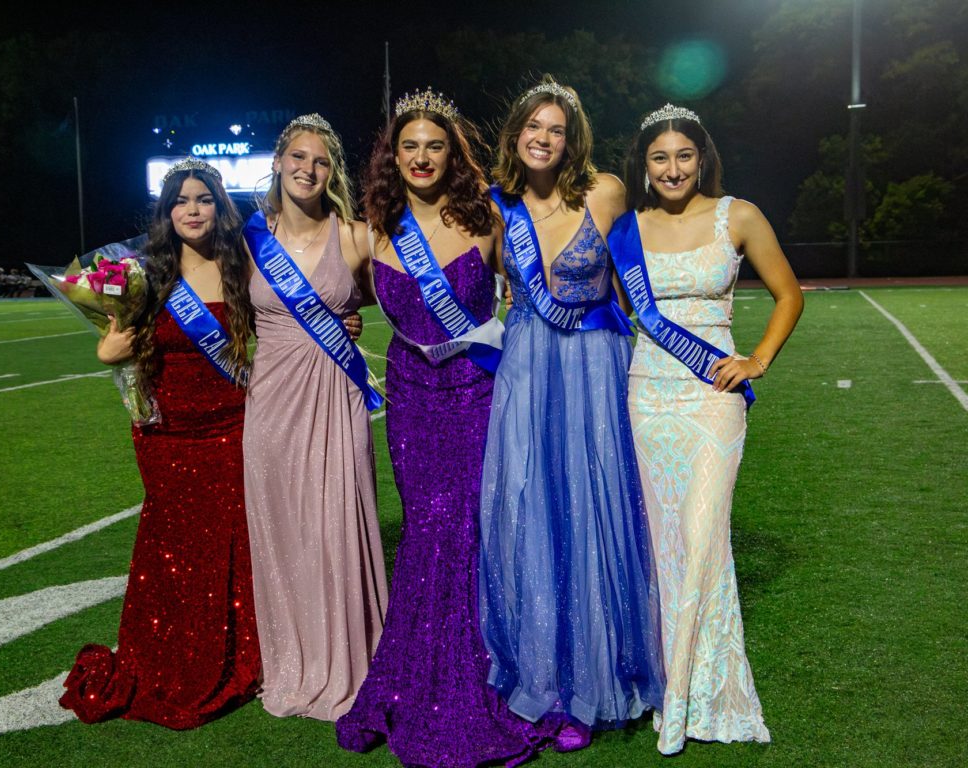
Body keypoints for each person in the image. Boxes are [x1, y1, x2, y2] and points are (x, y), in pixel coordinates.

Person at [336, 88, 579, 767]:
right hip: (413, 400)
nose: (421, 156)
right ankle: (420, 678)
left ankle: (487, 678)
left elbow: (536, 288)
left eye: (434, 145)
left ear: (453, 153)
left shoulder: (487, 218)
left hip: (478, 393)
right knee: (425, 529)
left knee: (474, 529)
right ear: (394, 155)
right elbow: (334, 297)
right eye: (409, 145)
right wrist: (349, 319)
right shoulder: (372, 230)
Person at [480, 77, 665, 732]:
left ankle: (599, 676)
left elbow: (634, 287)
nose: (544, 138)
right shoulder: (495, 205)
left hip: (594, 366)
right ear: (517, 134)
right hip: (528, 367)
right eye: (534, 126)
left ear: (572, 139)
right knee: (533, 511)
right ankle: (545, 674)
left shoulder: (606, 192)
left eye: (556, 129)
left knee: (594, 511)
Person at [618, 103, 803, 754]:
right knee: (665, 549)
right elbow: (615, 312)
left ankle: (683, 702)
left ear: (703, 157)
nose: (672, 169)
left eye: (684, 156)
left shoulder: (739, 215)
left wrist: (758, 359)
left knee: (701, 538)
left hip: (712, 397)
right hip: (647, 397)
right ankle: (675, 681)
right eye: (660, 158)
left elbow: (790, 294)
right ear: (645, 166)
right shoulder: (627, 228)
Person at [60, 157, 261, 729]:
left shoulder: (244, 266)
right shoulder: (146, 275)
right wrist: (110, 348)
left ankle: (241, 654)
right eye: (180, 201)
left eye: (202, 199)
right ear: (167, 212)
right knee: (172, 549)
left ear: (219, 208)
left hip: (234, 426)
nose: (191, 210)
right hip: (168, 433)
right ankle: (170, 654)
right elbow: (111, 347)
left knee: (231, 545)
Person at [241, 113, 387, 721]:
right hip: (271, 403)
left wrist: (348, 319)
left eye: (321, 161)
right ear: (278, 163)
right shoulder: (247, 237)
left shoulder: (354, 235)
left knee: (337, 525)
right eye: (298, 158)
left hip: (336, 395)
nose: (308, 169)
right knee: (285, 532)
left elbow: (392, 298)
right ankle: (291, 656)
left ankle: (355, 661)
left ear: (333, 173)